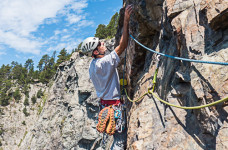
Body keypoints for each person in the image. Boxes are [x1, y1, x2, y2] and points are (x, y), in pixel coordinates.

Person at [81, 5, 133, 150]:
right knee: (120, 141)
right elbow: (122, 46)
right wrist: (126, 21)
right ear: (96, 51)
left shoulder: (93, 65)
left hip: (105, 105)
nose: (103, 43)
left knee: (117, 138)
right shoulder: (103, 63)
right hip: (114, 105)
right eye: (100, 44)